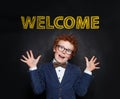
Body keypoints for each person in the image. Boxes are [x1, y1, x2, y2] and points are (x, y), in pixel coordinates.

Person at [20, 33, 100, 99]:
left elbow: (81, 92)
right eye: (61, 47)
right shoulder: (44, 68)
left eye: (68, 50)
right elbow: (38, 90)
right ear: (54, 48)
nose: (64, 52)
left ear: (71, 56)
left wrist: (88, 71)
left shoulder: (76, 70)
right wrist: (33, 68)